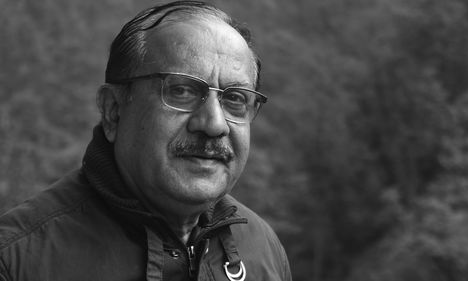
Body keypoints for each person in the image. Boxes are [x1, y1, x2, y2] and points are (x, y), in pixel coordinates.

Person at [0, 1, 292, 280]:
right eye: (181, 91)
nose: (214, 124)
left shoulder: (262, 249)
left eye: (235, 99)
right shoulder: (16, 260)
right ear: (113, 111)